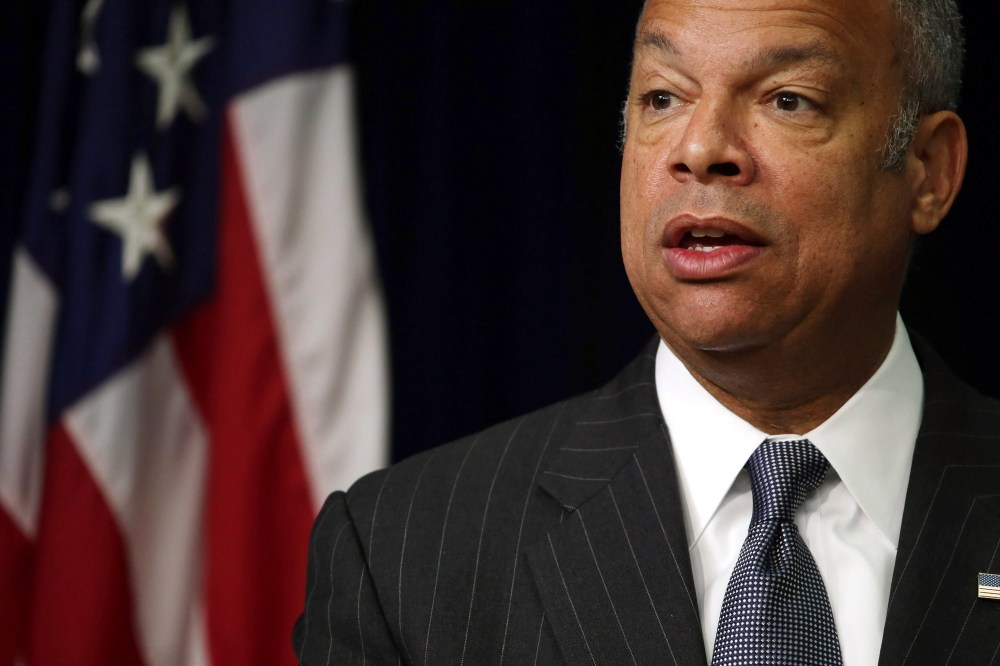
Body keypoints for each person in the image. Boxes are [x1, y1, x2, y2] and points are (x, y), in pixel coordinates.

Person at [294, 0, 1000, 663]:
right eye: (664, 97)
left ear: (928, 171)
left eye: (788, 99)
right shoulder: (403, 551)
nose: (700, 148)